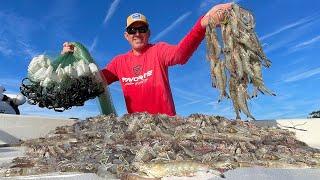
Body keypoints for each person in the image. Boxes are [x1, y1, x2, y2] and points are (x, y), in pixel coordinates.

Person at [62, 3, 232, 116]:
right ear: (126, 36)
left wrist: (203, 23)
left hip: (167, 127)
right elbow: (93, 82)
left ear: (148, 33)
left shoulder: (159, 51)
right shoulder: (118, 63)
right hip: (137, 131)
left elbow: (180, 55)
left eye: (142, 29)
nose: (137, 34)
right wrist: (69, 58)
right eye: (132, 30)